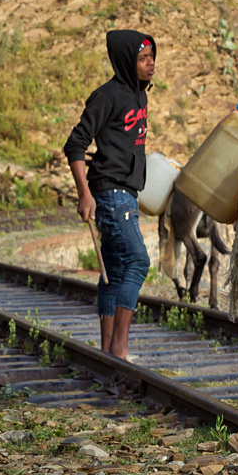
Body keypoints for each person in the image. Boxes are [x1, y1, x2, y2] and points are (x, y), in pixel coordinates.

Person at [64, 30, 156, 362]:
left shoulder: (140, 96)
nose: (150, 65)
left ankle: (106, 352)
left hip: (125, 193)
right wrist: (84, 194)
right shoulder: (106, 97)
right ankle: (119, 348)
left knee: (113, 270)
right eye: (143, 59)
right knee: (137, 261)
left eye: (152, 58)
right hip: (111, 194)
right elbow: (75, 145)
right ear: (125, 62)